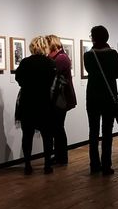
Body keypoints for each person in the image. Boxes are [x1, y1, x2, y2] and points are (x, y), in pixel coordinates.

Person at [15, 36, 56, 175]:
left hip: (28, 102)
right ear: (45, 47)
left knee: (27, 135)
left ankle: (27, 165)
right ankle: (47, 165)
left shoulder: (25, 62)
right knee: (47, 135)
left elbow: (18, 79)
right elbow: (52, 81)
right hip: (44, 102)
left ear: (32, 47)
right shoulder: (50, 63)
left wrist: (27, 85)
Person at [84, 25, 118, 176]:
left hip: (92, 96)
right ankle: (106, 165)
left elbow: (89, 71)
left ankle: (94, 165)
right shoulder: (112, 54)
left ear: (94, 37)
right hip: (108, 96)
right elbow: (117, 73)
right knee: (107, 132)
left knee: (93, 132)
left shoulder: (88, 55)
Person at [45, 35, 77, 165]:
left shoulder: (61, 58)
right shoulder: (56, 57)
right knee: (56, 127)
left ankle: (62, 157)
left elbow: (50, 74)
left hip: (60, 99)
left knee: (58, 127)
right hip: (58, 98)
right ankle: (59, 155)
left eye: (46, 45)